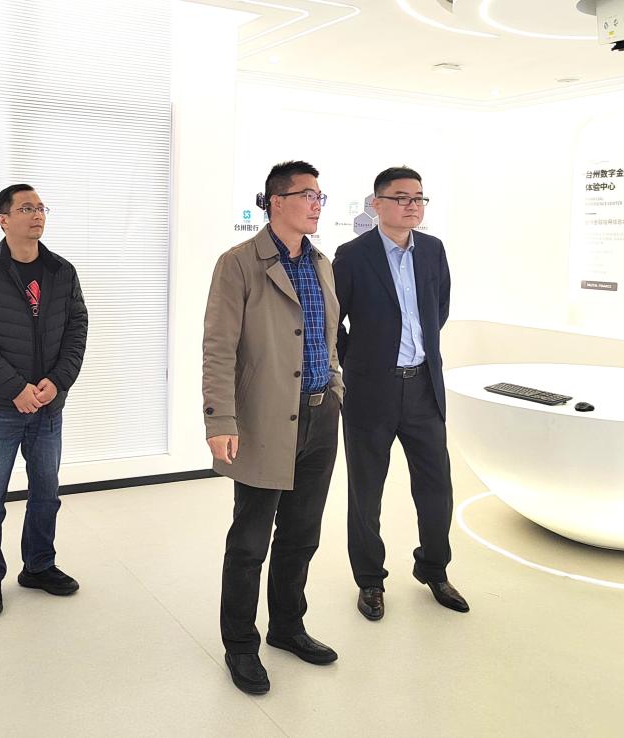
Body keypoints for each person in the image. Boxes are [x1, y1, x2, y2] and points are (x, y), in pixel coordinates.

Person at [202, 161, 344, 695]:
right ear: (275, 202)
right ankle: (241, 644)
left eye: (320, 196)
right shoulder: (239, 262)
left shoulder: (322, 263)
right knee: (250, 539)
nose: (316, 204)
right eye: (307, 194)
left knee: (302, 534)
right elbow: (218, 347)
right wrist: (220, 419)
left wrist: (335, 387)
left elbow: (327, 337)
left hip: (320, 415)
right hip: (264, 417)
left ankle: (287, 626)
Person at [333, 166, 469, 622]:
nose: (413, 205)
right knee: (366, 492)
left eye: (419, 198)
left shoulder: (433, 250)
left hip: (424, 388)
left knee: (436, 488)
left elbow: (438, 310)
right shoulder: (352, 255)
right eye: (401, 197)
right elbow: (334, 321)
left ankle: (434, 568)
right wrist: (358, 362)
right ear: (377, 204)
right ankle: (370, 580)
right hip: (372, 390)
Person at [0, 184, 88, 618]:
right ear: (3, 219)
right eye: (27, 208)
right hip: (0, 407)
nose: (37, 215)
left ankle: (38, 566)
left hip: (48, 406)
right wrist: (16, 388)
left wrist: (57, 381)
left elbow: (77, 330)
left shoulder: (61, 271)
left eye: (41, 207)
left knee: (46, 494)